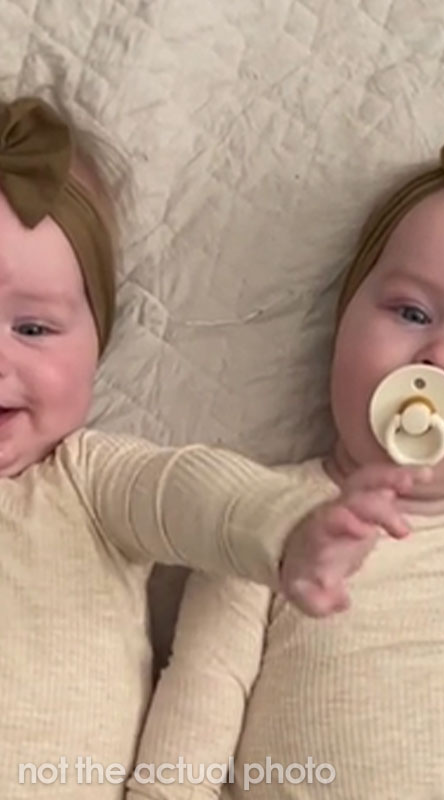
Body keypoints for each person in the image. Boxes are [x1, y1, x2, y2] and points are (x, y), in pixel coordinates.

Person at [128, 123, 444, 799]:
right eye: (412, 312)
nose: (442, 359)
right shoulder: (267, 524)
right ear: (343, 320)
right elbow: (192, 730)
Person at [0, 96, 421, 800]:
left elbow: (195, 495)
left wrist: (290, 525)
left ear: (97, 342)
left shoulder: (91, 482)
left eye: (34, 329)